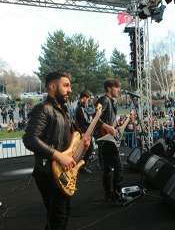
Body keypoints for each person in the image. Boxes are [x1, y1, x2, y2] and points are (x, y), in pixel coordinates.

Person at [22, 70, 90, 230]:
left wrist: (82, 140)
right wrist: (59, 156)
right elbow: (30, 138)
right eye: (66, 85)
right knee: (58, 217)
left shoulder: (65, 110)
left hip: (62, 171)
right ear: (52, 86)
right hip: (47, 173)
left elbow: (71, 136)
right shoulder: (43, 109)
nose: (70, 89)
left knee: (64, 213)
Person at [93, 78, 133, 205]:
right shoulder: (104, 100)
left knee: (107, 167)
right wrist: (107, 127)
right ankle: (118, 195)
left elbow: (109, 122)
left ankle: (109, 195)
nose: (119, 90)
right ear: (109, 88)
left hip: (106, 139)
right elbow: (95, 118)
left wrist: (123, 123)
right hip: (106, 139)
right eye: (117, 87)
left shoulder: (109, 102)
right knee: (118, 166)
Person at [74, 90, 94, 174]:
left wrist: (89, 114)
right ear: (84, 98)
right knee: (90, 149)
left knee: (82, 150)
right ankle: (82, 166)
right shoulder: (80, 107)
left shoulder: (79, 106)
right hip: (83, 132)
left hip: (81, 131)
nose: (88, 101)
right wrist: (94, 123)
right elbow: (85, 121)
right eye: (88, 99)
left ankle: (81, 166)